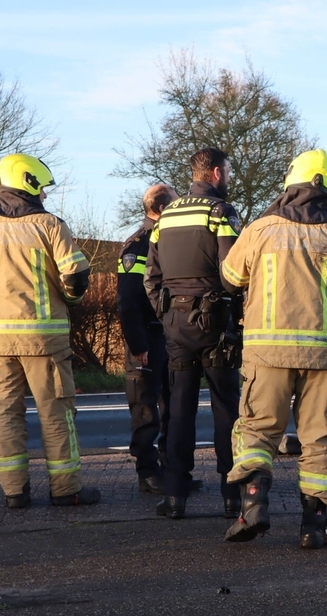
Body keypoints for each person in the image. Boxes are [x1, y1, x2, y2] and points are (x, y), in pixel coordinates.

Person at [220, 149, 327, 549]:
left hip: (267, 356)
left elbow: (229, 277)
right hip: (326, 358)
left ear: (290, 183)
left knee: (256, 431)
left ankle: (253, 505)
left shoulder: (260, 230)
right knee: (320, 439)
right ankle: (314, 526)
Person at [0, 153, 100, 508]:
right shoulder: (49, 226)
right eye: (42, 188)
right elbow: (76, 276)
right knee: (56, 415)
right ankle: (66, 490)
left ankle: (14, 493)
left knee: (5, 415)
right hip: (44, 341)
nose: (45, 196)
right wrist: (68, 299)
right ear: (28, 183)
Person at [144, 147, 242, 520]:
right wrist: (233, 313)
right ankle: (232, 496)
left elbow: (151, 278)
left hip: (176, 327)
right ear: (216, 173)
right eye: (228, 171)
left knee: (179, 410)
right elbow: (234, 272)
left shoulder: (167, 214)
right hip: (216, 325)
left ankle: (175, 497)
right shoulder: (221, 212)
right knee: (226, 411)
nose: (228, 177)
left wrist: (167, 315)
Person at [117, 183, 199, 495]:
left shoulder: (170, 240)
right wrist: (138, 345)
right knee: (145, 409)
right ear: (163, 209)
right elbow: (128, 299)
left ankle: (172, 472)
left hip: (171, 336)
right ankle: (147, 473)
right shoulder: (138, 244)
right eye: (177, 205)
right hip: (148, 340)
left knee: (174, 407)